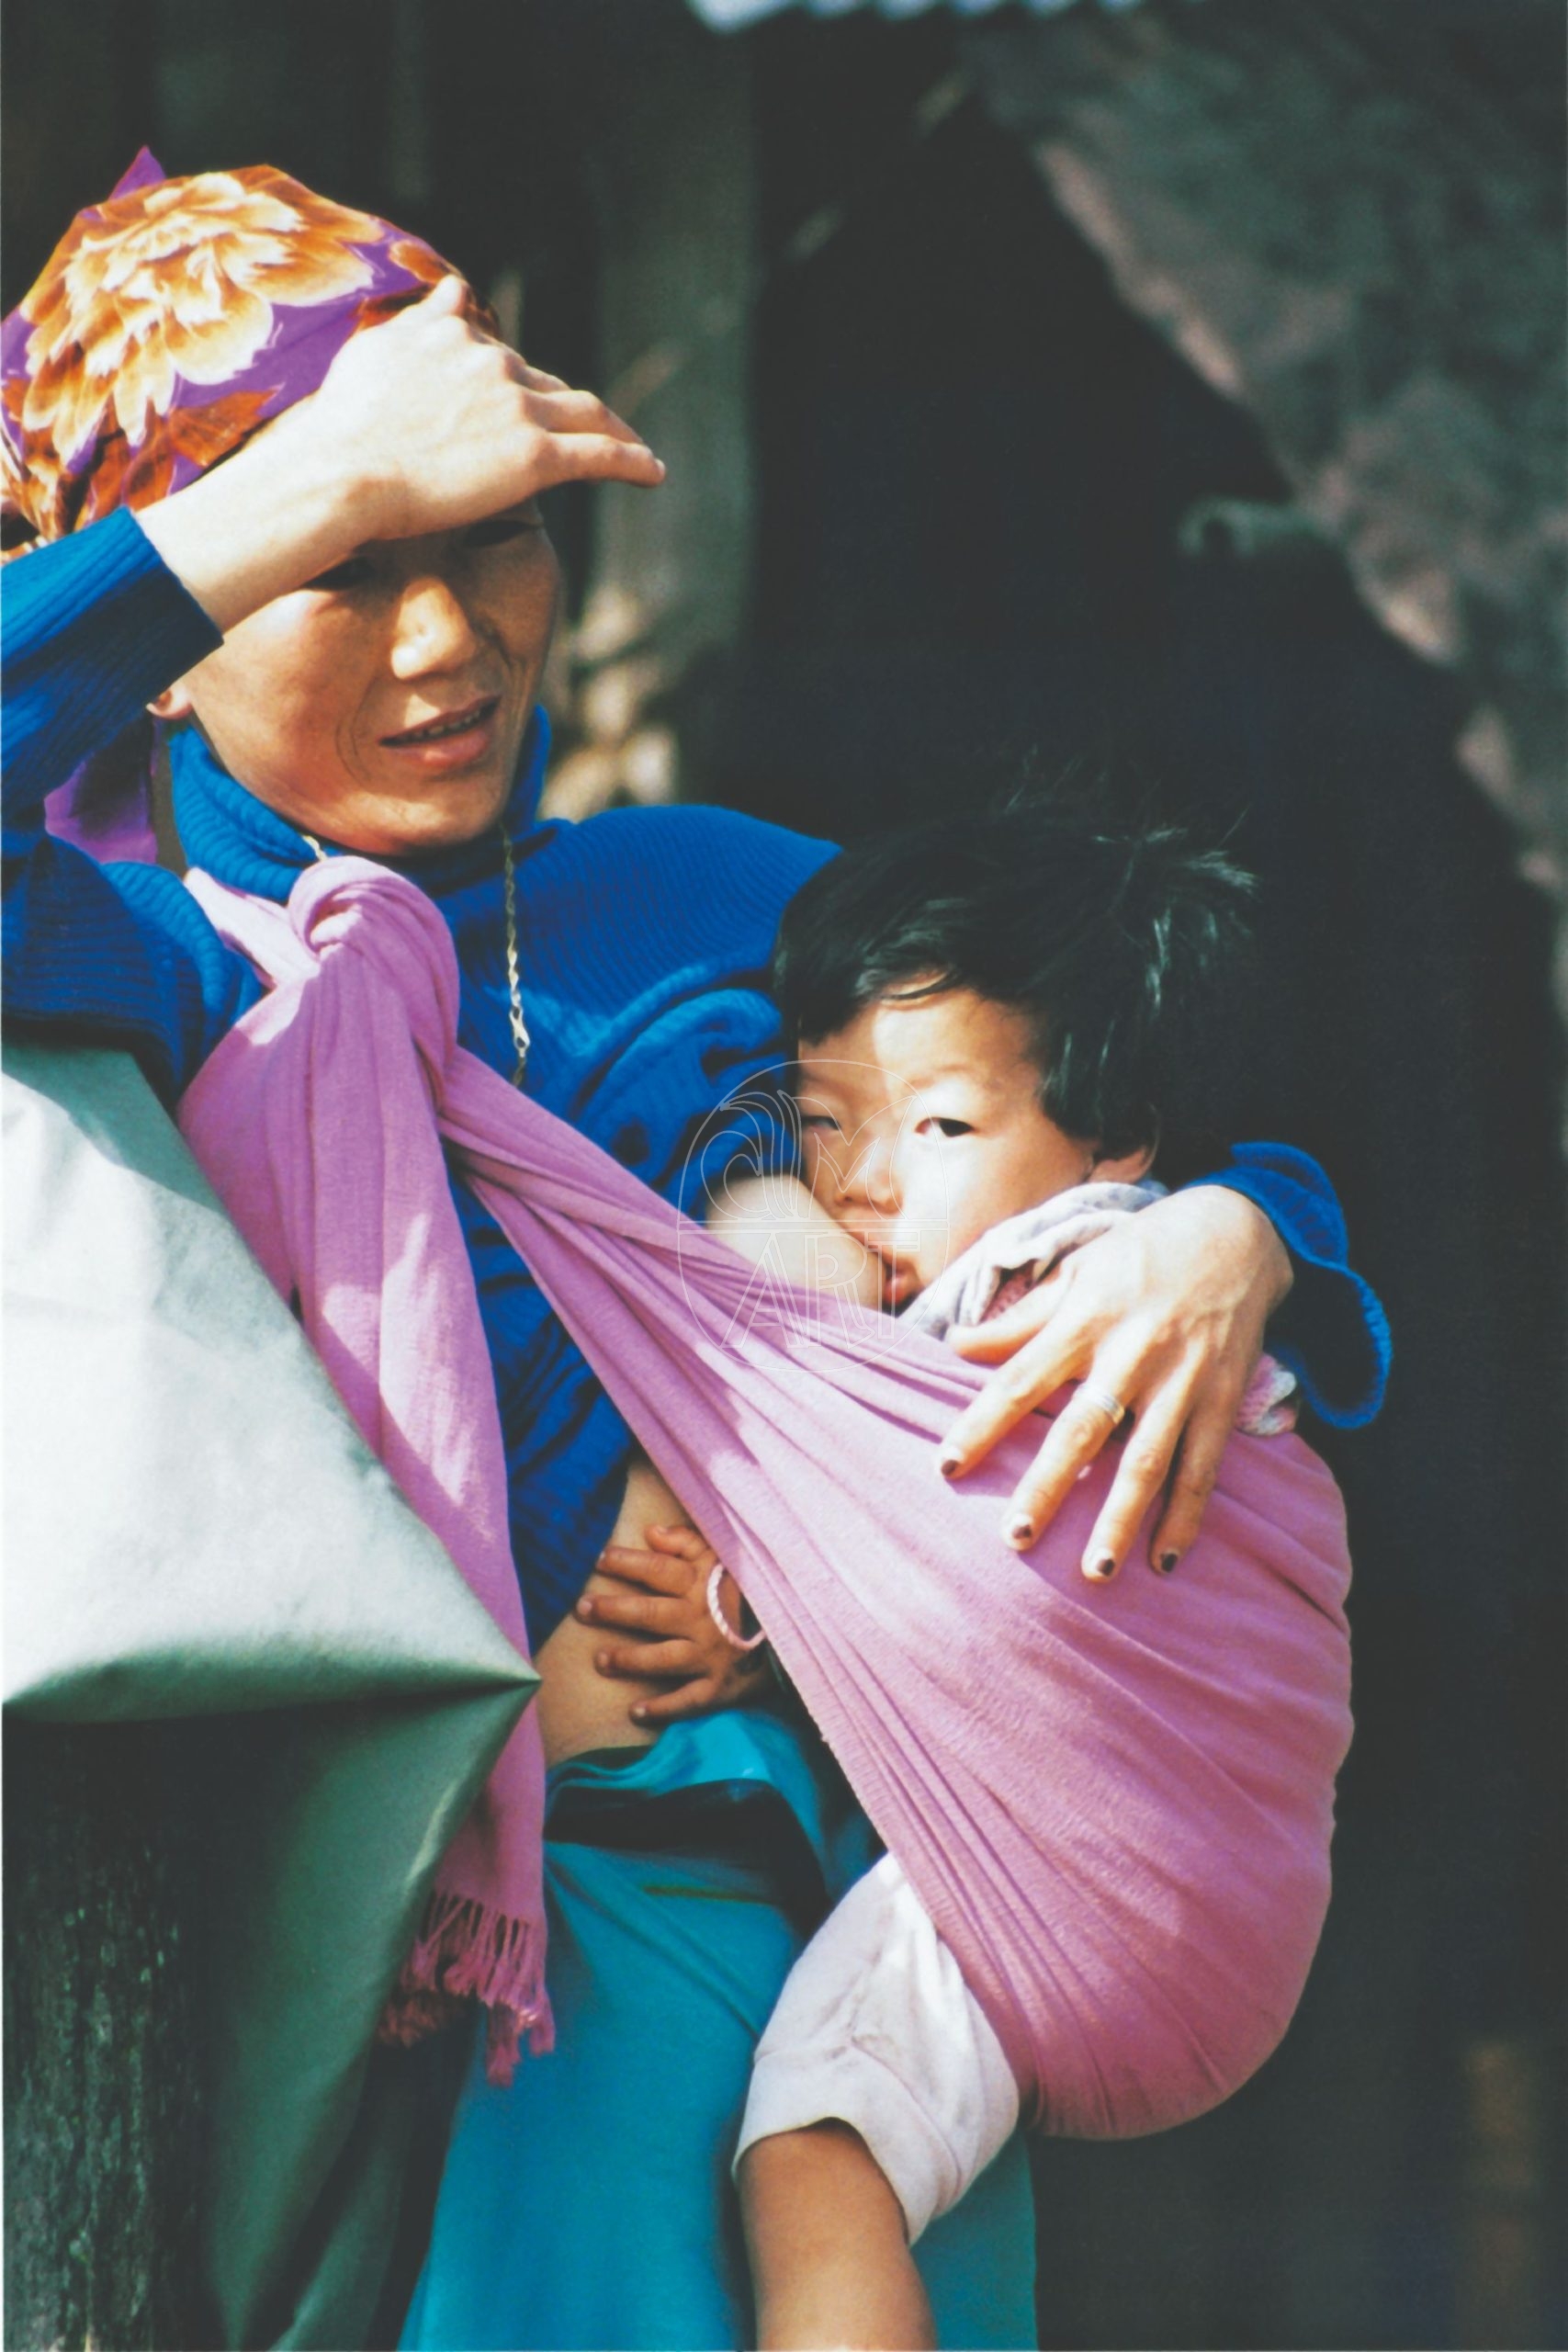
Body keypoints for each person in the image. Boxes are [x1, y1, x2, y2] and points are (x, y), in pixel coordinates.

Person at [2, 156, 1388, 2348]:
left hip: (868, 1921)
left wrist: (1247, 1239)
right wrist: (221, 527)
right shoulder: (166, 974)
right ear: (171, 650)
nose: (452, 640)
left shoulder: (728, 899)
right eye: (345, 569)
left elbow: (1112, 1116)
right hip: (451, 1958)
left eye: (491, 535)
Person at [613, 804, 1298, 2346]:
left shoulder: (1068, 1294)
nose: (862, 1184)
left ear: (1113, 1136)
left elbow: (971, 1543)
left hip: (1088, 1850)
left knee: (811, 2163)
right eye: (827, 1118)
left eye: (938, 1130)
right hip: (1206, 1891)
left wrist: (749, 1615)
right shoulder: (1165, 1278)